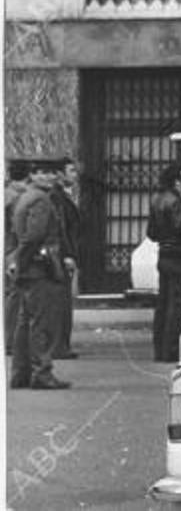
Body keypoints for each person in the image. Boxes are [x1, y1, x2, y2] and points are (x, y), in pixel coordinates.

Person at [9, 158, 74, 389]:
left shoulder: (24, 198)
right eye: (42, 173)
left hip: (29, 266)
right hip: (39, 267)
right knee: (41, 323)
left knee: (24, 323)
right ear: (32, 175)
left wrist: (17, 263)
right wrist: (23, 262)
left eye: (51, 173)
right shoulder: (41, 201)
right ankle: (42, 372)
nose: (49, 177)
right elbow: (34, 236)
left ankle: (20, 373)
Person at [148, 162, 181, 363]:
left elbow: (151, 233)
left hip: (164, 255)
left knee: (163, 305)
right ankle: (171, 350)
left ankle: (159, 349)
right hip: (180, 256)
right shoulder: (179, 201)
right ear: (177, 181)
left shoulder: (157, 199)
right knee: (178, 305)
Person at [49, 160, 81, 359]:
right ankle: (59, 346)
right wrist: (68, 254)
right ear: (60, 174)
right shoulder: (57, 197)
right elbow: (61, 230)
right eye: (71, 171)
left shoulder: (64, 196)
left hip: (66, 251)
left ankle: (62, 344)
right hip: (62, 254)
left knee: (64, 301)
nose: (75, 174)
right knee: (61, 302)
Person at [5, 159, 30, 352]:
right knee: (15, 296)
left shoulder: (7, 194)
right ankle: (9, 339)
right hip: (12, 250)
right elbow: (17, 229)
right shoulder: (17, 199)